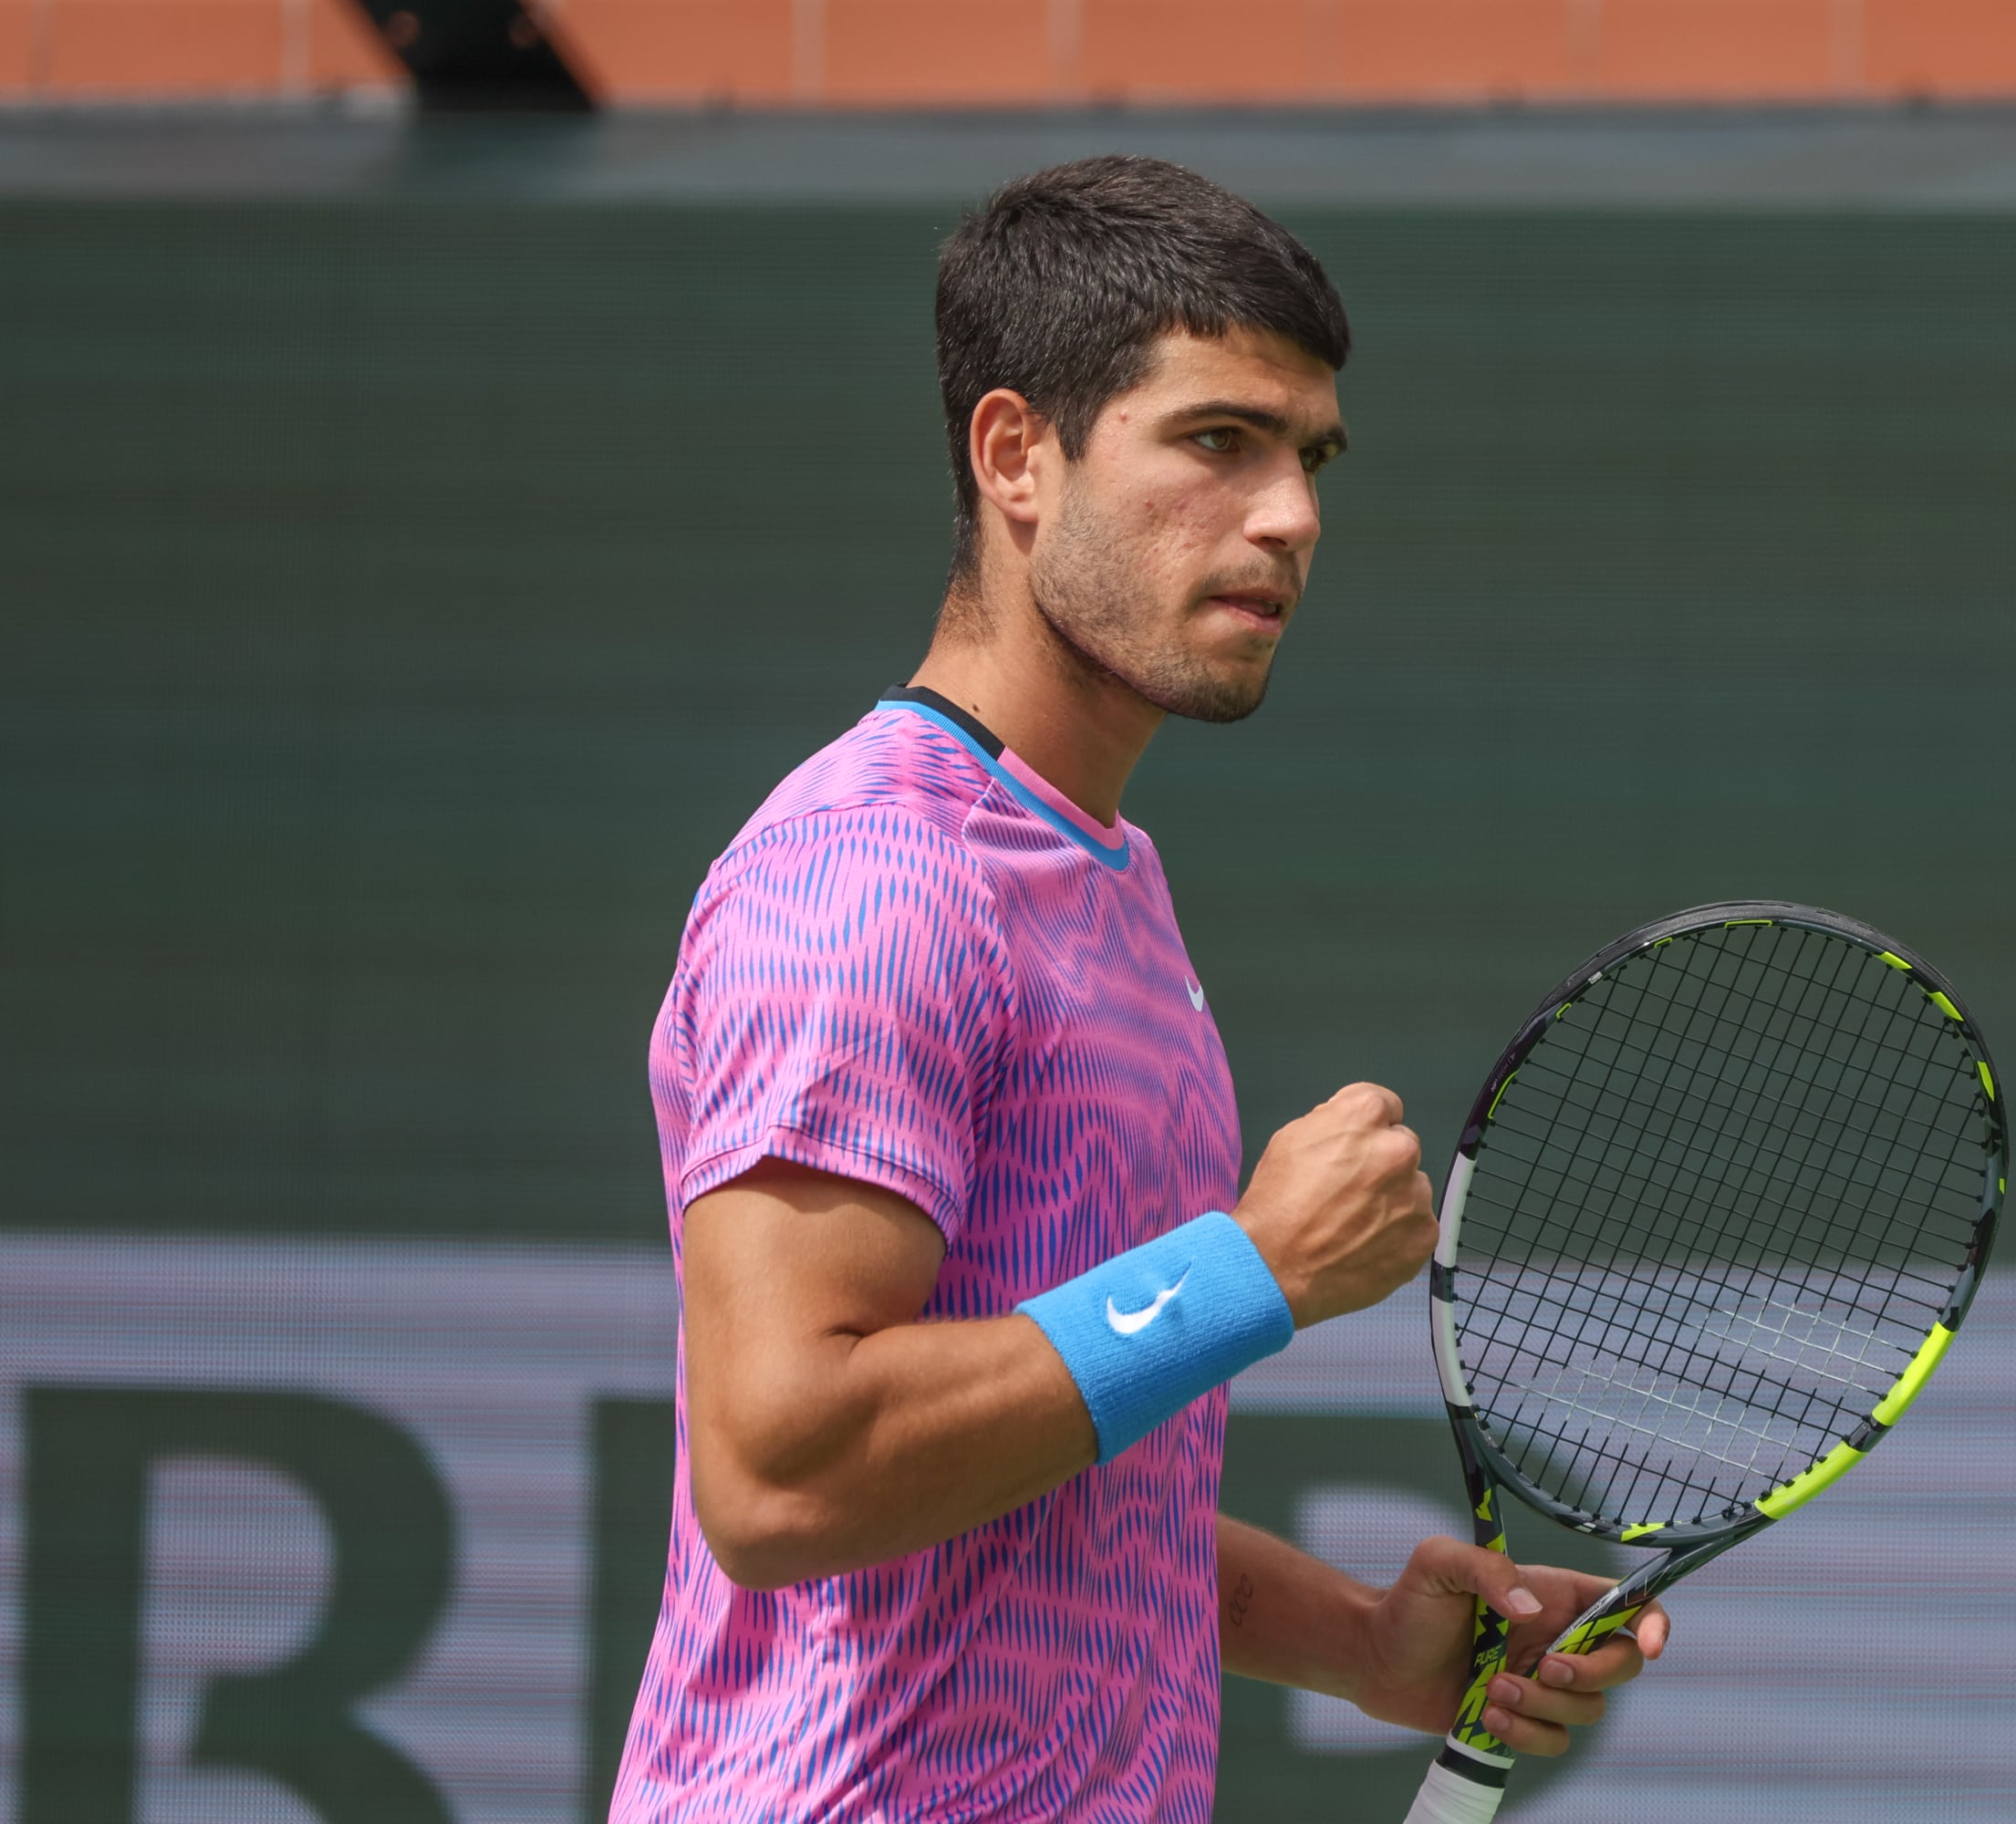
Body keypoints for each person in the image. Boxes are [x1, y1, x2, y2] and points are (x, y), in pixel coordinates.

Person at [610, 155, 1669, 1822]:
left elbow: (1052, 1480)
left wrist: (1361, 1644)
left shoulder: (1111, 884)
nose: (1290, 516)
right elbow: (781, 1467)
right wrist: (1245, 1272)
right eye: (1215, 441)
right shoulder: (869, 882)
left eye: (1309, 457)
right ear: (1017, 455)